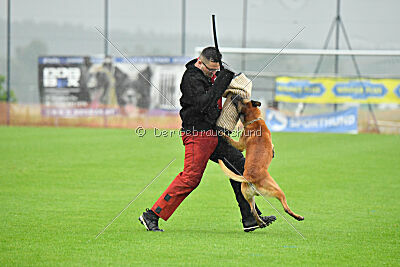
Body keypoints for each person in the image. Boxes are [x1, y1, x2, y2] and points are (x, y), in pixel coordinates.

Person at [139, 47, 276, 232]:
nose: (213, 74)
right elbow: (204, 104)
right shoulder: (190, 79)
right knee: (190, 179)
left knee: (240, 166)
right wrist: (221, 81)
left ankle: (251, 218)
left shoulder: (212, 74)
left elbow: (221, 89)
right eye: (210, 70)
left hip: (214, 134)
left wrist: (229, 80)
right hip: (197, 135)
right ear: (199, 61)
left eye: (216, 70)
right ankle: (151, 215)